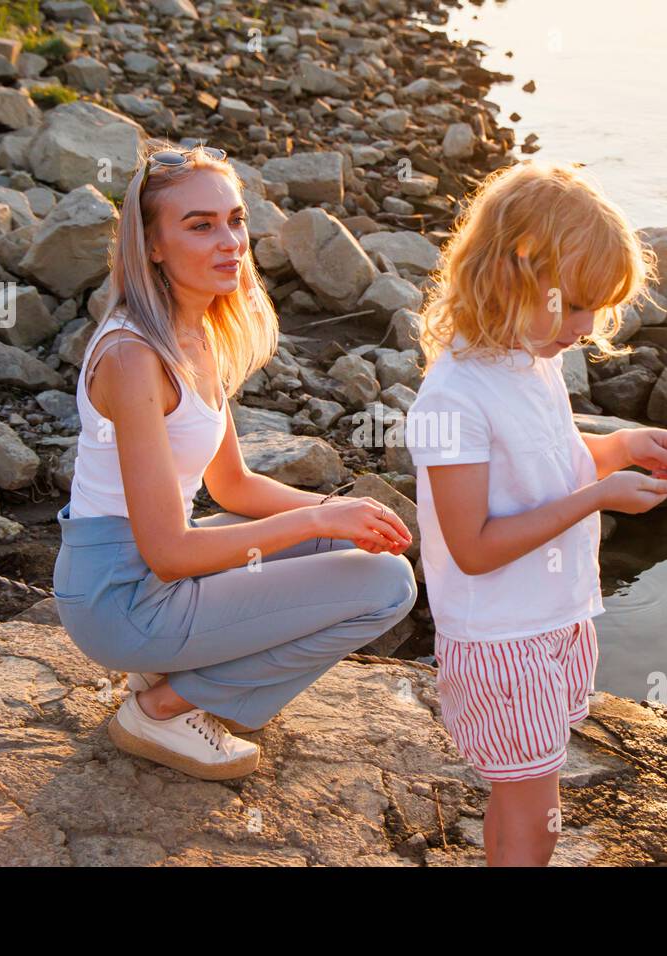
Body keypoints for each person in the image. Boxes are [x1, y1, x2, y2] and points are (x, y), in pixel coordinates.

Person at [53, 141, 417, 781]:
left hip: (157, 580)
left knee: (362, 554)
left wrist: (343, 513)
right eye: (200, 225)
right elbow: (168, 551)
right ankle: (163, 707)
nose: (230, 242)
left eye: (235, 219)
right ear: (153, 247)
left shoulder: (197, 334)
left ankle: (184, 672)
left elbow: (233, 484)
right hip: (122, 599)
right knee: (388, 589)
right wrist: (316, 523)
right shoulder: (133, 358)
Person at [405, 160, 667, 864]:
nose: (587, 326)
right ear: (507, 278)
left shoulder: (527, 362)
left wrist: (620, 446)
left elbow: (549, 470)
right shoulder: (454, 398)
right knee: (535, 811)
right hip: (502, 638)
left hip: (552, 619)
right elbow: (471, 545)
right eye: (570, 305)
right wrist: (596, 499)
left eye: (596, 307)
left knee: (530, 797)